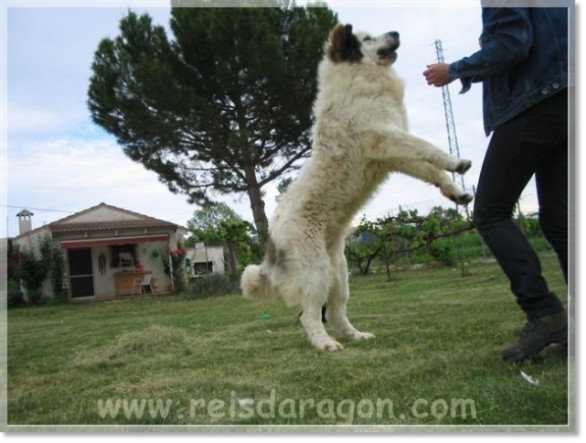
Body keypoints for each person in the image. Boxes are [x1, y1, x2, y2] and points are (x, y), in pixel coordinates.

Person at [423, 3, 570, 363]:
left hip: (534, 101)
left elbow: (513, 43)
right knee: (561, 221)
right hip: (569, 95)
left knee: (490, 211)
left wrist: (455, 69)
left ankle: (544, 313)